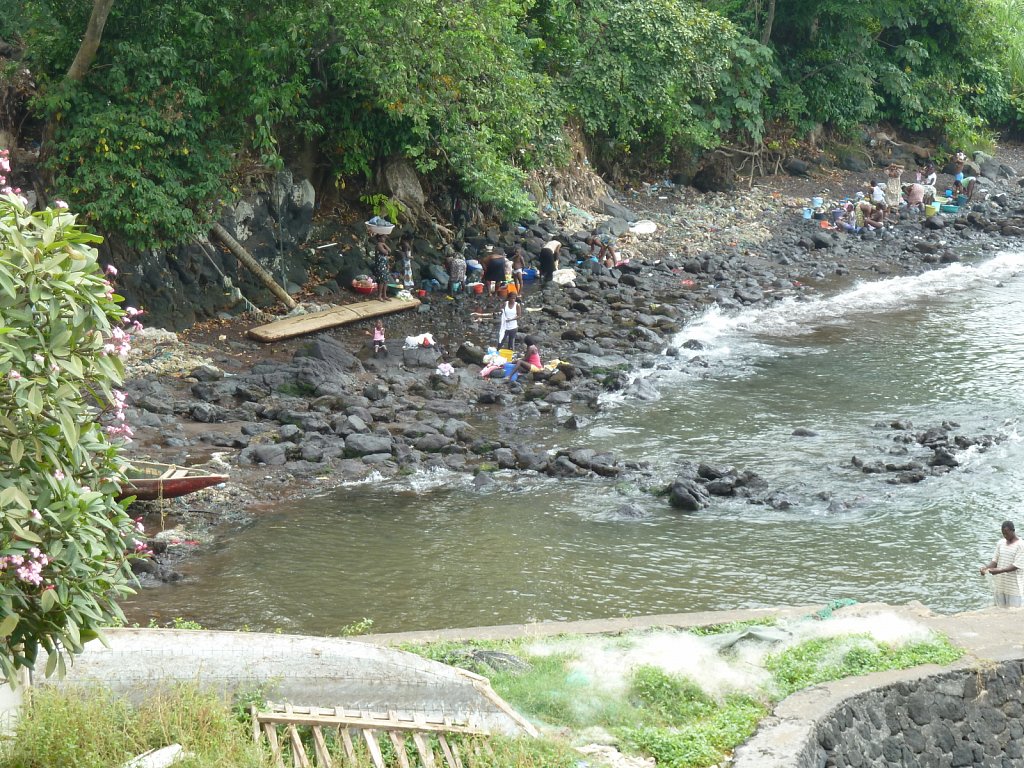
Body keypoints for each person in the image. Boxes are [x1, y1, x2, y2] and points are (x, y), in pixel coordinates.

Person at [979, 521, 1024, 607]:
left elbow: (1016, 566)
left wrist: (1000, 570)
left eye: (1006, 533)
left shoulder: (1021, 545)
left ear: (1013, 531)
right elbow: (994, 561)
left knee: (1013, 613)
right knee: (999, 612)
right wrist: (986, 568)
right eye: (1003, 533)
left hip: (1014, 588)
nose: (1005, 536)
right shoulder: (1000, 543)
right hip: (1000, 586)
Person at [372, 233, 391, 301]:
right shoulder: (378, 245)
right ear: (379, 238)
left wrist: (384, 244)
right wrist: (383, 245)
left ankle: (384, 295)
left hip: (384, 265)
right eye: (383, 237)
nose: (384, 239)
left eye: (385, 238)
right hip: (380, 265)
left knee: (385, 280)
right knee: (381, 281)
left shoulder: (382, 244)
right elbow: (385, 252)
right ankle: (379, 296)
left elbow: (389, 250)